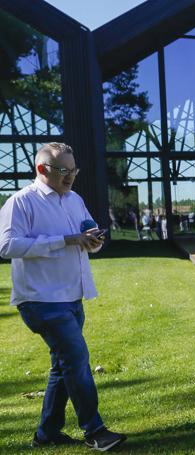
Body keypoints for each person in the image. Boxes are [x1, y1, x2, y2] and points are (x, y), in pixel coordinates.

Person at [0, 143, 127, 452]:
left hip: (73, 296)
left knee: (63, 366)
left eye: (74, 170)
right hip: (41, 300)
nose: (71, 176)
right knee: (77, 359)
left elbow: (85, 235)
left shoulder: (74, 199)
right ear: (42, 170)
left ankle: (47, 433)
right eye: (63, 171)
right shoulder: (20, 202)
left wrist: (92, 241)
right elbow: (7, 247)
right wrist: (66, 240)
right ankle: (94, 430)